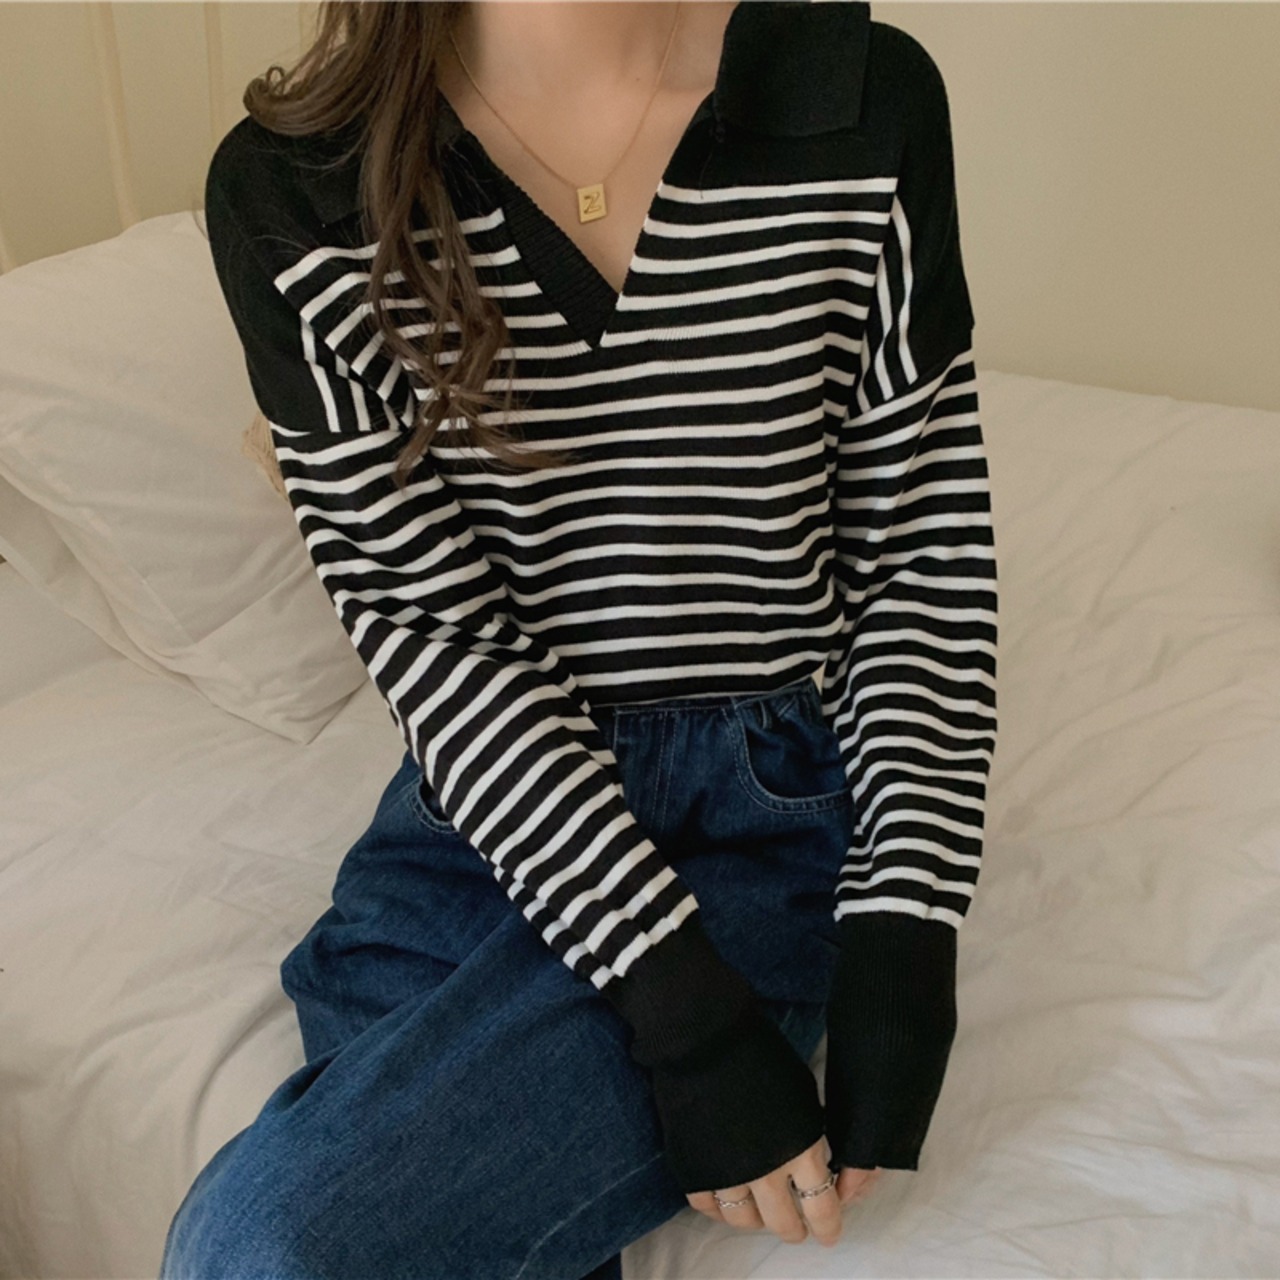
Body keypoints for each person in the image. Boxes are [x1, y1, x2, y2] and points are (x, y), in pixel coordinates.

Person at [161, 1, 997, 1276]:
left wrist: (904, 936)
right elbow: (437, 640)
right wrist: (686, 1019)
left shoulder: (855, 97)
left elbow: (915, 551)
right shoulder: (295, 190)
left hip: (760, 824)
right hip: (479, 812)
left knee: (265, 1242)